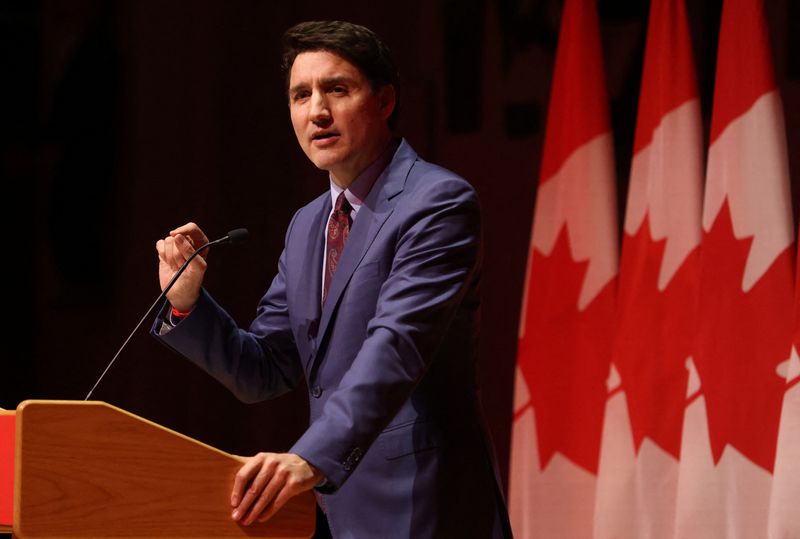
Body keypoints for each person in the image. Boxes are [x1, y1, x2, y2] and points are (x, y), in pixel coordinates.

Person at [153, 20, 511, 538]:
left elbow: (397, 348)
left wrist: (308, 457)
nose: (316, 111)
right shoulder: (307, 225)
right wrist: (187, 304)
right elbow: (264, 370)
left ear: (384, 100)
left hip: (425, 506)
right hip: (332, 514)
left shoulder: (437, 203)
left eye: (337, 90)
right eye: (301, 95)